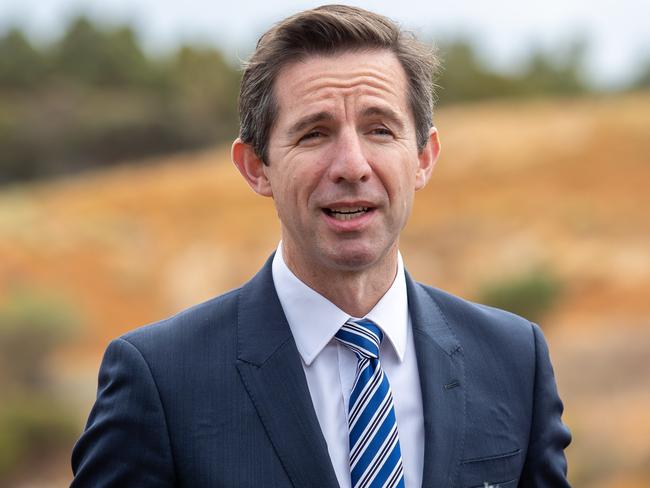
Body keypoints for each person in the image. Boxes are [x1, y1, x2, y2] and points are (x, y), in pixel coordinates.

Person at [71, 5, 571, 487]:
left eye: (380, 129)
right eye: (314, 133)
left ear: (423, 157)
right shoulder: (160, 380)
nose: (352, 165)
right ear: (255, 167)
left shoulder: (513, 359)